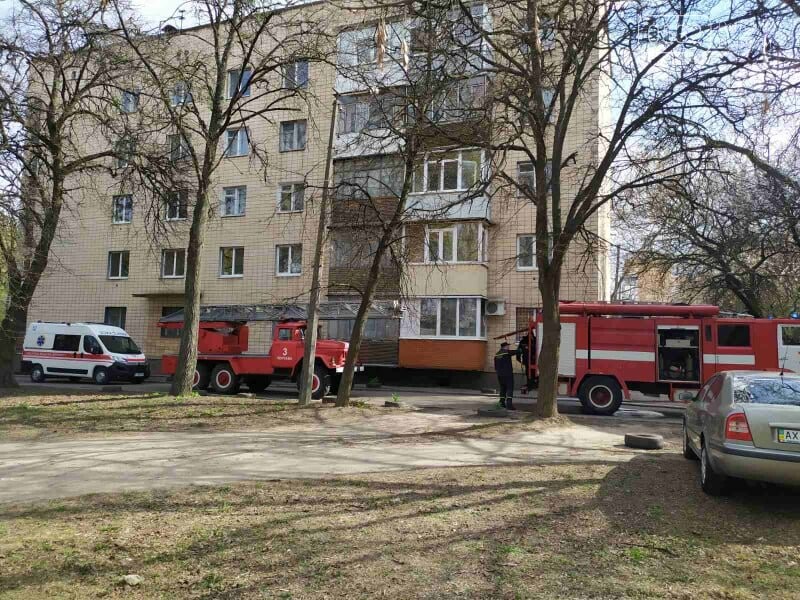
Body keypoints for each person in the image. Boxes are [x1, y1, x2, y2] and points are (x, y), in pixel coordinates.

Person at [494, 341, 515, 409]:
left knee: (502, 388)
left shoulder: (497, 354)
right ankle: (509, 405)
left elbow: (495, 366)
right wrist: (521, 350)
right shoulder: (506, 352)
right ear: (505, 346)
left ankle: (502, 403)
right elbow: (514, 352)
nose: (509, 347)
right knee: (509, 388)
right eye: (508, 346)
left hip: (500, 375)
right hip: (508, 374)